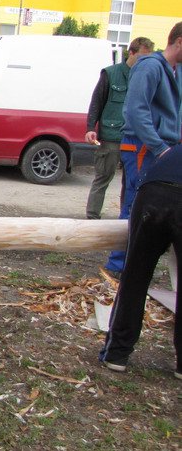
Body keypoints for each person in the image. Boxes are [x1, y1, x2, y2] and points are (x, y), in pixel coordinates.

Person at [104, 22, 182, 276]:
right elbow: (136, 110)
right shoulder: (149, 67)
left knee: (157, 208)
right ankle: (118, 266)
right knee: (136, 205)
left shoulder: (175, 71)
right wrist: (159, 148)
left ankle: (136, 264)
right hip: (143, 146)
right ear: (179, 42)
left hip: (164, 147)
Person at [99, 145, 182, 379]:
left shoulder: (174, 150)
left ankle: (117, 353)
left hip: (153, 194)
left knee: (135, 277)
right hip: (158, 189)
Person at [84, 37, 154, 220]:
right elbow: (96, 102)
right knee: (102, 178)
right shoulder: (111, 73)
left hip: (135, 138)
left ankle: (125, 218)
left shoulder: (147, 77)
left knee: (130, 182)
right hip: (111, 137)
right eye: (141, 57)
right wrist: (90, 127)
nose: (144, 62)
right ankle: (92, 218)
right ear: (130, 53)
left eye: (148, 58)